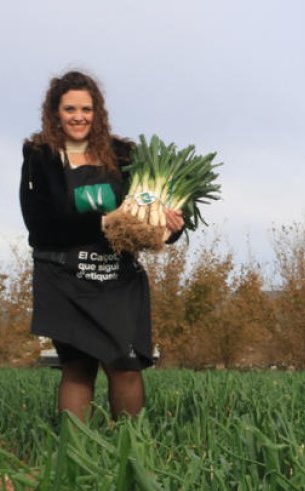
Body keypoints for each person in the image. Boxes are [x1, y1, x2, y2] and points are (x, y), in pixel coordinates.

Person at [19, 70, 182, 421]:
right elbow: (39, 222)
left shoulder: (122, 155)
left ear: (98, 112)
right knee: (78, 368)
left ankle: (129, 450)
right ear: (55, 112)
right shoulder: (41, 156)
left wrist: (168, 228)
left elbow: (146, 209)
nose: (79, 117)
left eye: (87, 109)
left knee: (125, 365)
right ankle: (74, 457)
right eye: (70, 109)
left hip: (117, 277)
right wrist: (101, 222)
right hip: (64, 275)